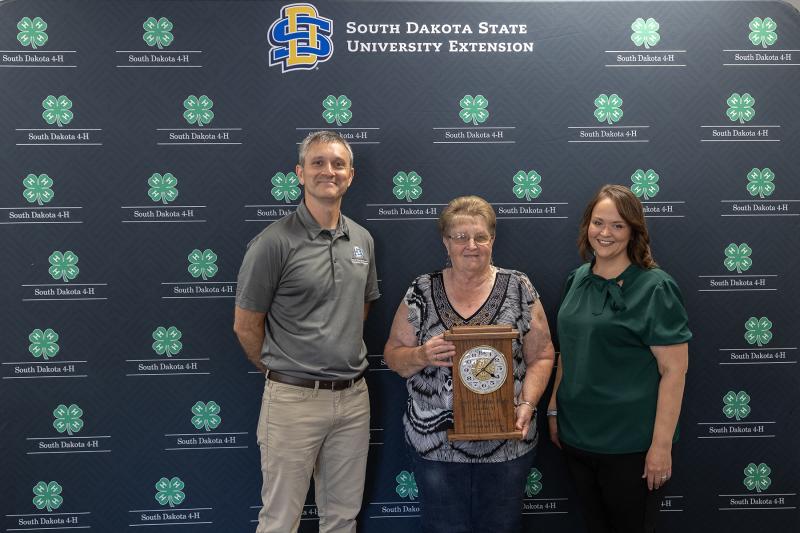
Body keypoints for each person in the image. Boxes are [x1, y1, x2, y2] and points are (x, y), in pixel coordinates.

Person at [234, 131, 380, 533]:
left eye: (337, 164)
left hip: (353, 400)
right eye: (317, 163)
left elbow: (359, 309)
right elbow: (246, 324)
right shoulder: (273, 243)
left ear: (350, 175)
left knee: (342, 518)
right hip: (292, 399)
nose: (327, 171)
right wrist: (282, 373)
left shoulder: (362, 240)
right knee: (281, 520)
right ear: (300, 173)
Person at [384, 195, 555, 532]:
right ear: (446, 242)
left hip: (507, 445)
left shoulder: (519, 287)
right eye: (460, 237)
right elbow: (393, 355)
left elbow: (543, 355)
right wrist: (421, 355)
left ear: (492, 239)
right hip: (437, 447)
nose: (471, 245)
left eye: (481, 236)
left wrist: (528, 403)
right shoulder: (421, 289)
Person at [547, 184, 691, 533]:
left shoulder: (655, 287)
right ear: (587, 226)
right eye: (598, 223)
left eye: (617, 225)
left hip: (631, 447)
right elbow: (567, 350)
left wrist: (660, 447)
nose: (605, 233)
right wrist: (553, 408)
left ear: (633, 231)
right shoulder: (576, 279)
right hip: (577, 437)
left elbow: (674, 370)